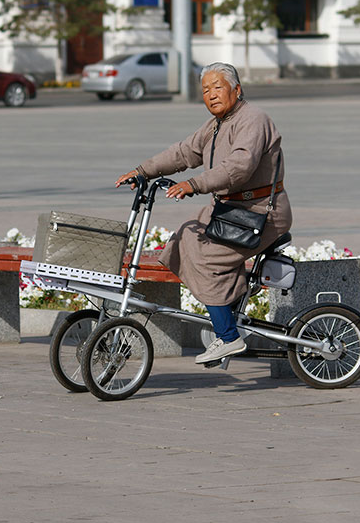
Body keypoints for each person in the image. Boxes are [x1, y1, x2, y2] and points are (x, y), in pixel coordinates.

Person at [115, 62, 292, 364]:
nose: (211, 94)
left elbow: (239, 167)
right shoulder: (216, 124)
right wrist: (143, 171)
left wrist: (194, 184)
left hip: (262, 213)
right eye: (206, 90)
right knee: (183, 238)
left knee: (207, 261)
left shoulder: (254, 119)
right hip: (229, 209)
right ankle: (230, 304)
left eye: (217, 87)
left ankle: (228, 336)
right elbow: (184, 152)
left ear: (237, 89)